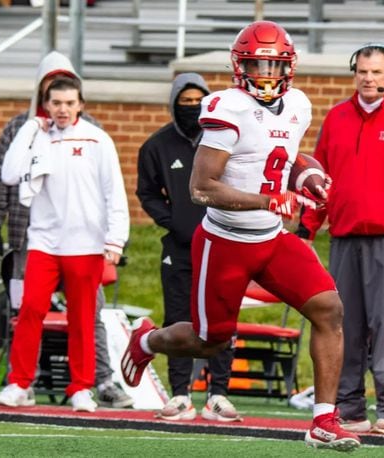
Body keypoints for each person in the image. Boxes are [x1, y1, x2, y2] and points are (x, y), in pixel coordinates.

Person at [121, 20, 360, 451]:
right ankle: (147, 339)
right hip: (225, 240)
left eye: (274, 64)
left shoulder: (298, 105)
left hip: (271, 239)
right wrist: (268, 202)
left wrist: (307, 174)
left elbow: (282, 156)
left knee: (329, 309)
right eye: (257, 63)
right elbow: (202, 187)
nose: (266, 74)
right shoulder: (225, 107)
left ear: (288, 66)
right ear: (239, 65)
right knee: (208, 341)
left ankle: (324, 420)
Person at [295, 44, 384, 435]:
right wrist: (307, 228)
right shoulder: (336, 118)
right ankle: (350, 407)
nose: (369, 78)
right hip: (344, 237)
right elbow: (317, 178)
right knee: (344, 322)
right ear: (354, 73)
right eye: (362, 71)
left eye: (376, 72)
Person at [0, 51, 133, 409]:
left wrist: (116, 239)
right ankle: (20, 383)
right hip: (44, 242)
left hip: (86, 243)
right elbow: (8, 173)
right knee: (30, 310)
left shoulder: (98, 139)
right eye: (55, 102)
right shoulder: (36, 134)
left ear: (80, 103)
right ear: (45, 103)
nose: (62, 109)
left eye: (69, 102)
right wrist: (33, 127)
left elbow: (115, 190)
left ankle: (81, 387)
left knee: (82, 318)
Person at [136, 73, 241, 422]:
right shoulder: (157, 146)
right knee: (178, 316)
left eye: (199, 100)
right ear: (173, 104)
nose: (192, 107)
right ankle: (180, 394)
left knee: (221, 318)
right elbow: (147, 192)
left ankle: (219, 395)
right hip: (180, 247)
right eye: (185, 101)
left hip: (223, 242)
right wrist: (173, 221)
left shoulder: (224, 142)